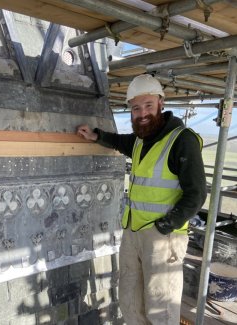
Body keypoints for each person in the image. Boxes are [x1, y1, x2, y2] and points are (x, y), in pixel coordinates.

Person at [77, 74, 207, 325]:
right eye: (136, 108)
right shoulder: (140, 140)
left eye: (148, 105)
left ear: (161, 103)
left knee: (160, 308)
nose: (142, 113)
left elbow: (197, 193)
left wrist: (167, 225)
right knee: (130, 302)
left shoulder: (182, 140)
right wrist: (96, 135)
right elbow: (121, 141)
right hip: (133, 231)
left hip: (163, 237)